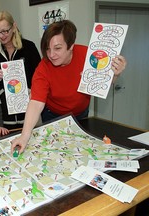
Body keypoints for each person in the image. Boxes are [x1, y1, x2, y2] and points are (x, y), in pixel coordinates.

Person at [11, 20, 127, 154]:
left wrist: (115, 75)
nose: (51, 55)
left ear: (71, 45)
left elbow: (101, 83)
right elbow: (36, 102)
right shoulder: (43, 67)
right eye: (47, 49)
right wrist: (24, 136)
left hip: (81, 114)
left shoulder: (88, 56)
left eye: (58, 48)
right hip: (52, 115)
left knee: (79, 151)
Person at [0, 11, 41, 130]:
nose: (2, 35)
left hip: (28, 110)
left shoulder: (29, 47)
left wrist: (32, 90)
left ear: (14, 27)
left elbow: (40, 76)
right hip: (3, 113)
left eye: (5, 31)